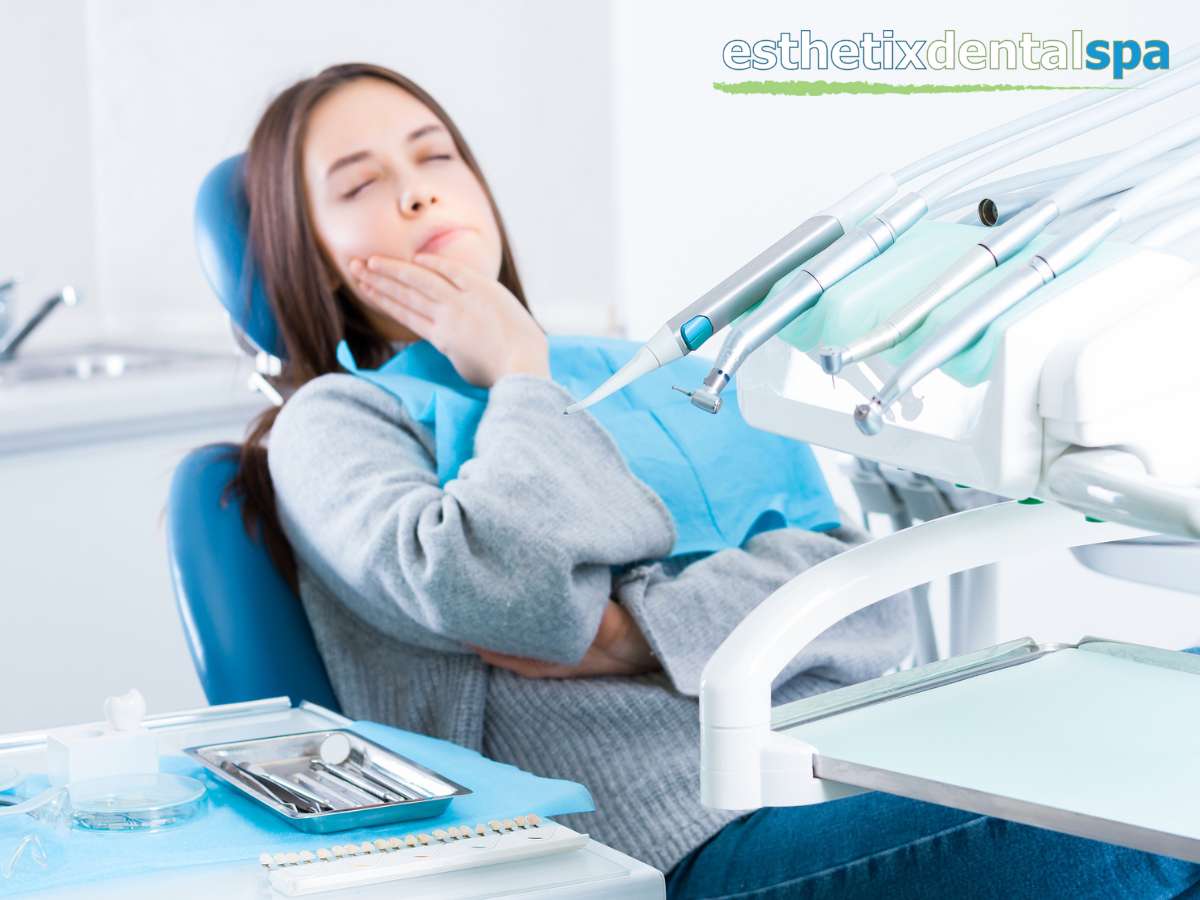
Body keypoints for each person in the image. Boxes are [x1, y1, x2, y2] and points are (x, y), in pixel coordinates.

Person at [226, 62, 1200, 898]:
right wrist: (516, 369)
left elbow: (862, 601)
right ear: (308, 255)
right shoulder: (337, 424)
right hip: (673, 845)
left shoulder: (659, 368)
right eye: (359, 184)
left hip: (849, 762)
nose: (416, 192)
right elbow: (505, 593)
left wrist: (637, 629)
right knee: (1142, 811)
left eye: (435, 156)